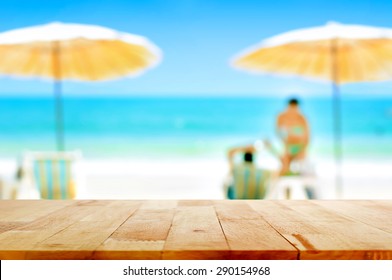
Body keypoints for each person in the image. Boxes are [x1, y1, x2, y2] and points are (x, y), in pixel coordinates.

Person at [276, 98, 310, 176]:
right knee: (284, 167)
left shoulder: (302, 118)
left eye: (295, 107)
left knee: (302, 169)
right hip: (288, 146)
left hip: (300, 146)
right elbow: (279, 131)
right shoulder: (282, 117)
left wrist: (303, 147)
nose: (293, 109)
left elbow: (307, 135)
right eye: (292, 107)